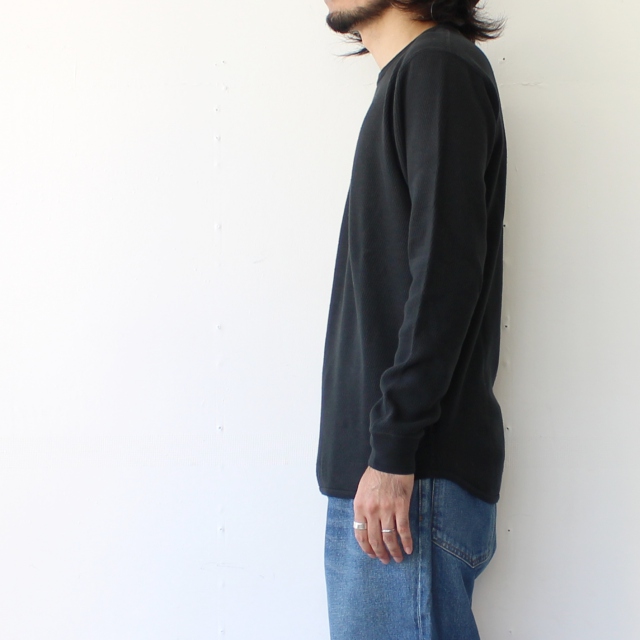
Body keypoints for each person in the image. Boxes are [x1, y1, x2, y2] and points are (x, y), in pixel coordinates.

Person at [316, 1, 507, 638]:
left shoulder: (438, 69)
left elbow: (446, 276)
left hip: (409, 476)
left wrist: (394, 450)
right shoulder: (416, 76)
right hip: (392, 471)